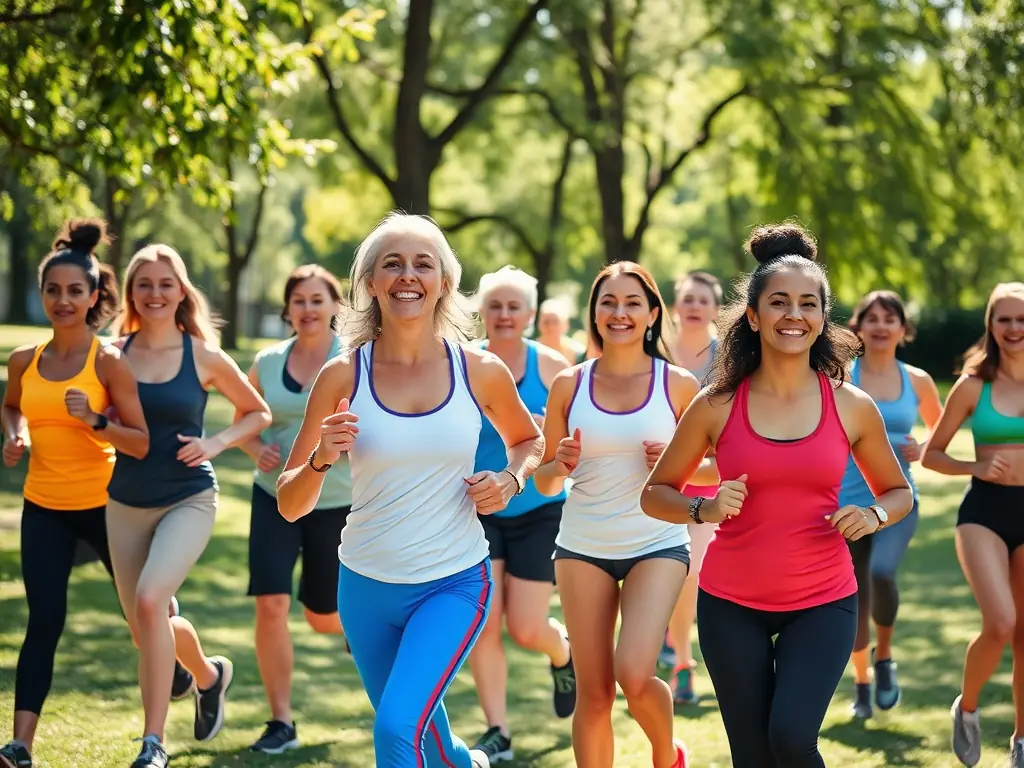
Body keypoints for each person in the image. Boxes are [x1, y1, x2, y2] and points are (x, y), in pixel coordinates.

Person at [276, 212, 545, 768]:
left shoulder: (480, 370)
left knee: (397, 726)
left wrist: (510, 479)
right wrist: (324, 457)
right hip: (365, 587)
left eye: (424, 263)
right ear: (370, 282)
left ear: (444, 281)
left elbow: (528, 441)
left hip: (452, 584)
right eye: (391, 263)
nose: (408, 275)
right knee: (427, 738)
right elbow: (289, 502)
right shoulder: (342, 376)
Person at [640, 222, 913, 768]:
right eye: (779, 302)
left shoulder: (852, 405)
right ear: (753, 315)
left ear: (822, 316)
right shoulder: (716, 405)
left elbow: (899, 492)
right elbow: (656, 494)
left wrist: (874, 513)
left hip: (823, 601)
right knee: (752, 754)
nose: (794, 314)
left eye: (808, 303)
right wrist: (705, 507)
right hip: (730, 605)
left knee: (790, 738)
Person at [534, 261, 711, 768]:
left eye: (633, 303)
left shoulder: (677, 385)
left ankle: (665, 754)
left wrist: (679, 465)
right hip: (582, 546)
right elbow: (545, 480)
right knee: (594, 694)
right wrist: (559, 463)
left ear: (653, 313)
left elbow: (716, 469)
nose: (619, 313)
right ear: (594, 313)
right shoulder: (569, 384)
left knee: (633, 673)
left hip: (656, 542)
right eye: (608, 302)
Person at [105, 244, 272, 768]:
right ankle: (208, 675)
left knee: (153, 602)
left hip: (188, 496)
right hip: (125, 500)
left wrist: (216, 443)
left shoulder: (201, 354)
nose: (155, 293)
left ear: (182, 291)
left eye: (165, 283)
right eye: (144, 284)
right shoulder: (111, 352)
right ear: (132, 293)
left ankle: (153, 745)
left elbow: (257, 412)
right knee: (142, 628)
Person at [0, 220, 150, 768]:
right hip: (43, 507)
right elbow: (14, 404)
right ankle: (20, 746)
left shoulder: (108, 362)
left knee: (142, 619)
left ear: (93, 297)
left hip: (107, 508)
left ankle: (190, 673)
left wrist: (96, 421)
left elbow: (140, 441)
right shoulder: (24, 360)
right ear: (43, 294)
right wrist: (14, 431)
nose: (63, 301)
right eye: (53, 291)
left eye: (74, 291)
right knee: (44, 620)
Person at [239, 264, 351, 754]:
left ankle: (356, 628)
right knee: (271, 603)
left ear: (335, 308)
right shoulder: (266, 362)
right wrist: (255, 448)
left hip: (337, 501)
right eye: (299, 300)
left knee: (322, 616)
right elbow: (246, 415)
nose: (307, 308)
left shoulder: (352, 360)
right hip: (274, 496)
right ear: (288, 309)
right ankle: (280, 720)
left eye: (317, 299)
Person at [466, 266, 575, 763]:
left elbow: (575, 442)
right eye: (495, 306)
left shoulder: (553, 367)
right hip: (479, 508)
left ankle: (562, 652)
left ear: (530, 314)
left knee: (526, 628)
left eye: (514, 307)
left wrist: (538, 426)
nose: (504, 315)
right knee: (484, 625)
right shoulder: (465, 365)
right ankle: (498, 730)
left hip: (539, 510)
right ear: (482, 313)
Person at [922, 282, 1024, 767]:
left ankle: (1021, 741)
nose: (1014, 328)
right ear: (991, 324)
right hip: (983, 512)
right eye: (1004, 318)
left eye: (1022, 318)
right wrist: (975, 468)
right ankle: (968, 706)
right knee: (1001, 622)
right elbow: (931, 454)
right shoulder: (973, 385)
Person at [842, 291, 942, 719]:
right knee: (853, 601)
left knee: (881, 573)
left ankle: (884, 659)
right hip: (845, 504)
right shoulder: (840, 375)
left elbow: (941, 427)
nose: (881, 326)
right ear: (858, 328)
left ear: (904, 329)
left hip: (899, 500)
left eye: (890, 318)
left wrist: (923, 447)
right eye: (872, 318)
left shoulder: (917, 379)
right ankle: (862, 682)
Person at [661, 271, 723, 704]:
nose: (695, 306)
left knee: (691, 572)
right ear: (674, 305)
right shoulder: (657, 352)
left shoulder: (727, 357)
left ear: (716, 308)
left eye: (703, 299)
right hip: (654, 477)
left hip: (707, 478)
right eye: (688, 298)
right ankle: (674, 650)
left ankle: (684, 662)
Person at [536, 298, 586, 363]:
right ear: (539, 324)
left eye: (555, 322)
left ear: (566, 324)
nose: (550, 327)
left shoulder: (579, 354)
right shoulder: (530, 352)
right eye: (546, 322)